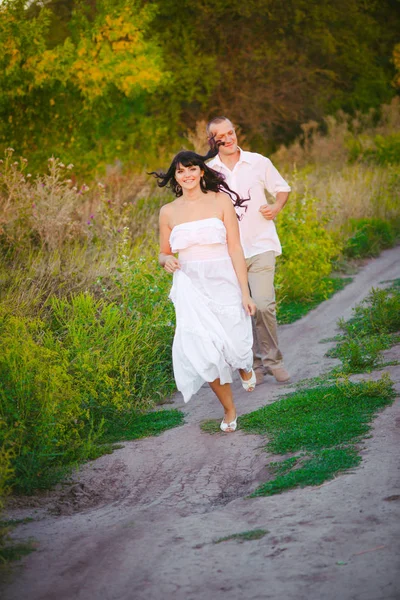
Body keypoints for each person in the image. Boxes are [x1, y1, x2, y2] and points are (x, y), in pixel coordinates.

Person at [151, 149, 257, 433]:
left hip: (223, 280)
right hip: (190, 286)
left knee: (233, 343)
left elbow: (235, 248)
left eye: (191, 169)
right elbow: (162, 254)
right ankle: (229, 408)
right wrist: (167, 260)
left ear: (201, 172)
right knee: (203, 351)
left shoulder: (220, 201)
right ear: (175, 177)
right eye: (180, 171)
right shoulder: (168, 211)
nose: (186, 175)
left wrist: (245, 292)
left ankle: (244, 365)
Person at [206, 117, 291, 384]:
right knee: (243, 310)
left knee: (264, 304)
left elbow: (282, 189)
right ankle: (252, 363)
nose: (229, 138)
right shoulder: (208, 171)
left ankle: (273, 360)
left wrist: (276, 207)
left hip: (261, 244)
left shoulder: (258, 161)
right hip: (229, 252)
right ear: (213, 141)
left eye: (231, 132)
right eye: (222, 135)